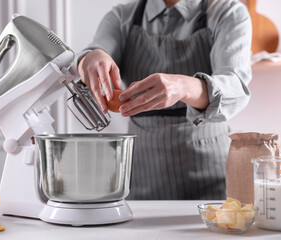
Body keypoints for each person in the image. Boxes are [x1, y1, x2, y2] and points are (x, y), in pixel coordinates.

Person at [76, 0, 252, 200]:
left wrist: (183, 87)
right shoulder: (121, 17)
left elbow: (236, 87)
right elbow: (93, 55)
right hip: (142, 169)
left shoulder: (227, 12)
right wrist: (87, 59)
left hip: (211, 173)